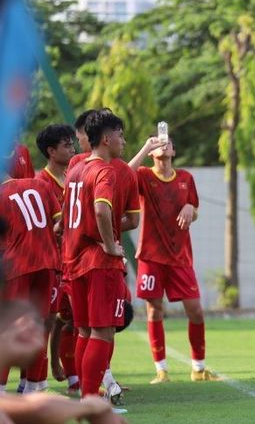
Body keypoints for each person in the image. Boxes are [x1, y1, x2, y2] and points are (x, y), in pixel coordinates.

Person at [129, 135, 222, 384]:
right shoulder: (144, 176)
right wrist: (145, 147)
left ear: (174, 150)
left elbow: (194, 210)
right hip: (151, 256)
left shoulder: (185, 178)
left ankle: (199, 369)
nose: (163, 144)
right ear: (151, 153)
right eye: (158, 143)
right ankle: (161, 370)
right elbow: (124, 175)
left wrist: (191, 208)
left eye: (168, 142)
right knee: (154, 310)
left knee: (196, 311)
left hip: (180, 257)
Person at [68, 109, 139, 403]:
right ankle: (91, 402)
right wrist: (110, 244)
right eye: (120, 135)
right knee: (102, 332)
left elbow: (71, 219)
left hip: (74, 260)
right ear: (107, 139)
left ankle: (86, 397)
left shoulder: (75, 169)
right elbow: (100, 210)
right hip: (98, 262)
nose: (123, 140)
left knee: (84, 331)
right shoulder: (105, 171)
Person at [0, 169, 62, 394]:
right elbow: (60, 222)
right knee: (39, 324)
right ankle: (33, 386)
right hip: (47, 263)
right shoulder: (40, 185)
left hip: (17, 266)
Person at [35, 124, 78, 393]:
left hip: (75, 258)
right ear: (51, 151)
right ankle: (41, 376)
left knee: (72, 318)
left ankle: (77, 376)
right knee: (51, 319)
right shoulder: (41, 183)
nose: (72, 148)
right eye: (66, 144)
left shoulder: (75, 175)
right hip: (53, 262)